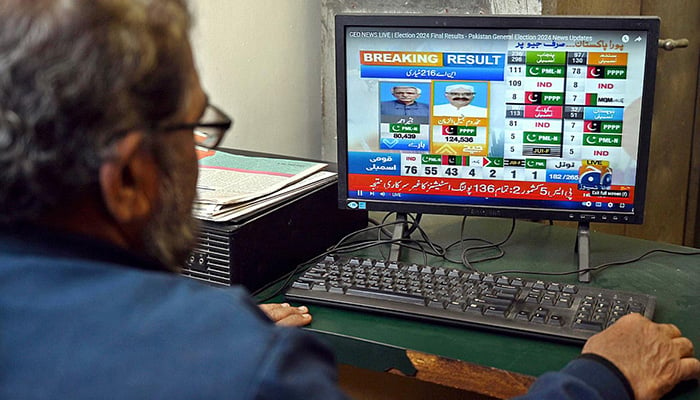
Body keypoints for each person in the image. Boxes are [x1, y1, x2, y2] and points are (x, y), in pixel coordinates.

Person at [0, 1, 697, 400]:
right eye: (193, 129)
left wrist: (186, 326)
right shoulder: (244, 371)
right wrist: (601, 378)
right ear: (124, 179)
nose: (202, 153)